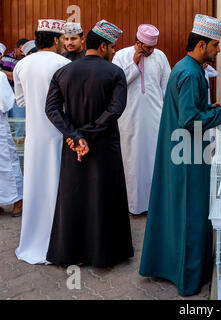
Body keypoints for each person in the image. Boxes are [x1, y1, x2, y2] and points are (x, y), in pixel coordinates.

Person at [139, 14, 221, 296]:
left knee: (175, 210)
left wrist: (209, 108)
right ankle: (189, 279)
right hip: (189, 153)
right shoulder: (192, 72)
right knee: (191, 213)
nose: (218, 51)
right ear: (202, 44)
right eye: (215, 46)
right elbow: (190, 119)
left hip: (178, 149)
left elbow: (189, 110)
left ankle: (172, 266)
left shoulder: (184, 66)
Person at [45, 20, 134, 268]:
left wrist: (75, 135)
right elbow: (115, 109)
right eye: (113, 47)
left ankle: (73, 254)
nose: (115, 52)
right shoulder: (115, 73)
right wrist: (88, 133)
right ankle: (105, 253)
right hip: (104, 144)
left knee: (74, 196)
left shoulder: (63, 72)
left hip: (74, 146)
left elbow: (51, 109)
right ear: (104, 46)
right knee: (105, 195)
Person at [14, 19, 70, 264]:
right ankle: (60, 243)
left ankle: (34, 241)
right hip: (60, 135)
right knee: (60, 187)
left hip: (35, 138)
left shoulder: (21, 65)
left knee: (36, 186)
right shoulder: (64, 64)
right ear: (57, 39)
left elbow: (21, 102)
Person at [112, 24, 171, 216]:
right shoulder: (121, 56)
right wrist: (134, 64)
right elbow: (116, 86)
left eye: (153, 47)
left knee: (155, 159)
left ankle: (155, 205)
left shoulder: (160, 56)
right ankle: (134, 206)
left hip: (155, 116)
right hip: (129, 118)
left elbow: (166, 87)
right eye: (147, 48)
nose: (151, 51)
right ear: (137, 43)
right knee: (132, 161)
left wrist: (167, 114)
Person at [0, 71, 23, 217]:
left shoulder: (1, 76)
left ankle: (18, 201)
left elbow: (7, 103)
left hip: (0, 128)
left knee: (7, 162)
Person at [1, 39, 28, 140]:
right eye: (20, 50)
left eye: (24, 51)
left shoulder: (26, 61)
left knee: (19, 122)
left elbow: (18, 78)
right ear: (15, 49)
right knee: (5, 122)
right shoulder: (4, 58)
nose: (22, 53)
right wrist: (12, 76)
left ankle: (18, 142)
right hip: (5, 93)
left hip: (19, 94)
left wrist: (4, 73)